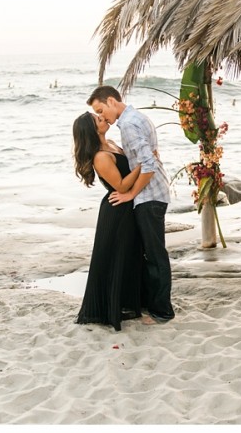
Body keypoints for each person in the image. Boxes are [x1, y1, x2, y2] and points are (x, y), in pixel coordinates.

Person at [87, 85, 175, 322]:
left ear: (112, 102)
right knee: (151, 255)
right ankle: (151, 304)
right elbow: (144, 158)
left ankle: (162, 311)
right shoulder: (137, 118)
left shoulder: (128, 124)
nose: (102, 116)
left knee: (156, 256)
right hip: (152, 194)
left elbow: (147, 164)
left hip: (148, 196)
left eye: (100, 109)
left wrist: (129, 194)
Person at [72, 111, 152, 331]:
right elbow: (122, 186)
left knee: (130, 255)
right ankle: (109, 308)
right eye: (98, 119)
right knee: (114, 258)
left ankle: (129, 303)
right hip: (117, 209)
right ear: (92, 129)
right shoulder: (100, 156)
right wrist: (143, 163)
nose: (103, 118)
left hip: (128, 206)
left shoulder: (113, 144)